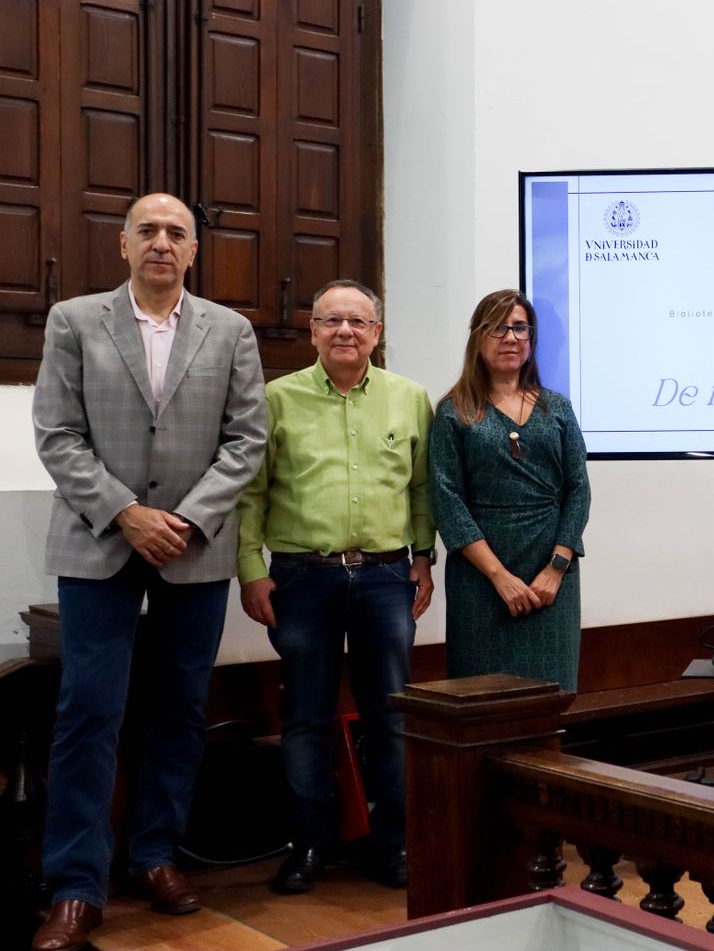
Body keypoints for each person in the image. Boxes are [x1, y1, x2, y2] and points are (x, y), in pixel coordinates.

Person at [30, 193, 267, 951]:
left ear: (194, 251)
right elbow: (57, 433)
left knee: (177, 710)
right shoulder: (75, 320)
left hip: (194, 550)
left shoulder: (230, 330)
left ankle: (156, 856)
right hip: (98, 541)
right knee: (89, 710)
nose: (163, 243)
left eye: (177, 233)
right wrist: (126, 511)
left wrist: (191, 519)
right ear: (123, 246)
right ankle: (74, 885)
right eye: (149, 232)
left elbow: (246, 440)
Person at [236, 279, 435, 895]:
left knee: (392, 716)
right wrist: (251, 568)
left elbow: (423, 488)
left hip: (385, 575)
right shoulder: (276, 399)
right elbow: (252, 491)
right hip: (301, 578)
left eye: (359, 321)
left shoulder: (409, 398)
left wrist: (425, 558)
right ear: (313, 330)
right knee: (305, 718)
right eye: (332, 321)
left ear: (377, 333)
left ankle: (393, 844)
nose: (345, 331)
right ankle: (308, 846)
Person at [429, 290, 590, 690]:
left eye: (520, 327)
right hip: (481, 580)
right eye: (498, 328)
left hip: (550, 579)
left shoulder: (558, 409)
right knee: (480, 698)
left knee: (550, 699)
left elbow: (578, 491)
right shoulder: (454, 410)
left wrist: (556, 568)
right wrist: (499, 576)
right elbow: (447, 500)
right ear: (477, 338)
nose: (511, 337)